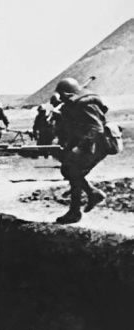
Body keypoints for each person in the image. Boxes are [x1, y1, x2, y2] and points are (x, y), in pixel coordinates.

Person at [54, 78, 109, 224]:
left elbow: (96, 128)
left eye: (62, 94)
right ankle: (92, 194)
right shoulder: (73, 105)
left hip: (95, 144)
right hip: (86, 143)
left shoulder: (84, 104)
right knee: (68, 169)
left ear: (68, 93)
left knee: (73, 170)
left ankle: (75, 211)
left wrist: (80, 148)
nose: (61, 98)